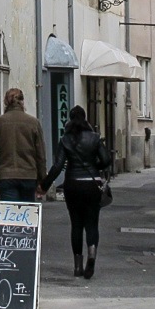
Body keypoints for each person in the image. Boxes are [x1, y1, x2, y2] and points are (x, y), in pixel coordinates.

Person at [40, 106, 111, 279]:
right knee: (92, 224)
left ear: (70, 120)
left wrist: (44, 185)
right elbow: (106, 160)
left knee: (76, 225)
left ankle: (77, 266)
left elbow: (57, 166)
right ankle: (92, 257)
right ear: (85, 119)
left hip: (73, 185)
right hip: (91, 185)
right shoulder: (94, 138)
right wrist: (95, 167)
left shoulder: (65, 140)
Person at [0, 87, 47, 203]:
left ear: (5, 102)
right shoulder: (34, 123)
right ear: (22, 102)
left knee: (10, 215)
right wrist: (42, 179)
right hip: (29, 175)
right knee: (26, 215)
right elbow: (41, 155)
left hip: (6, 176)